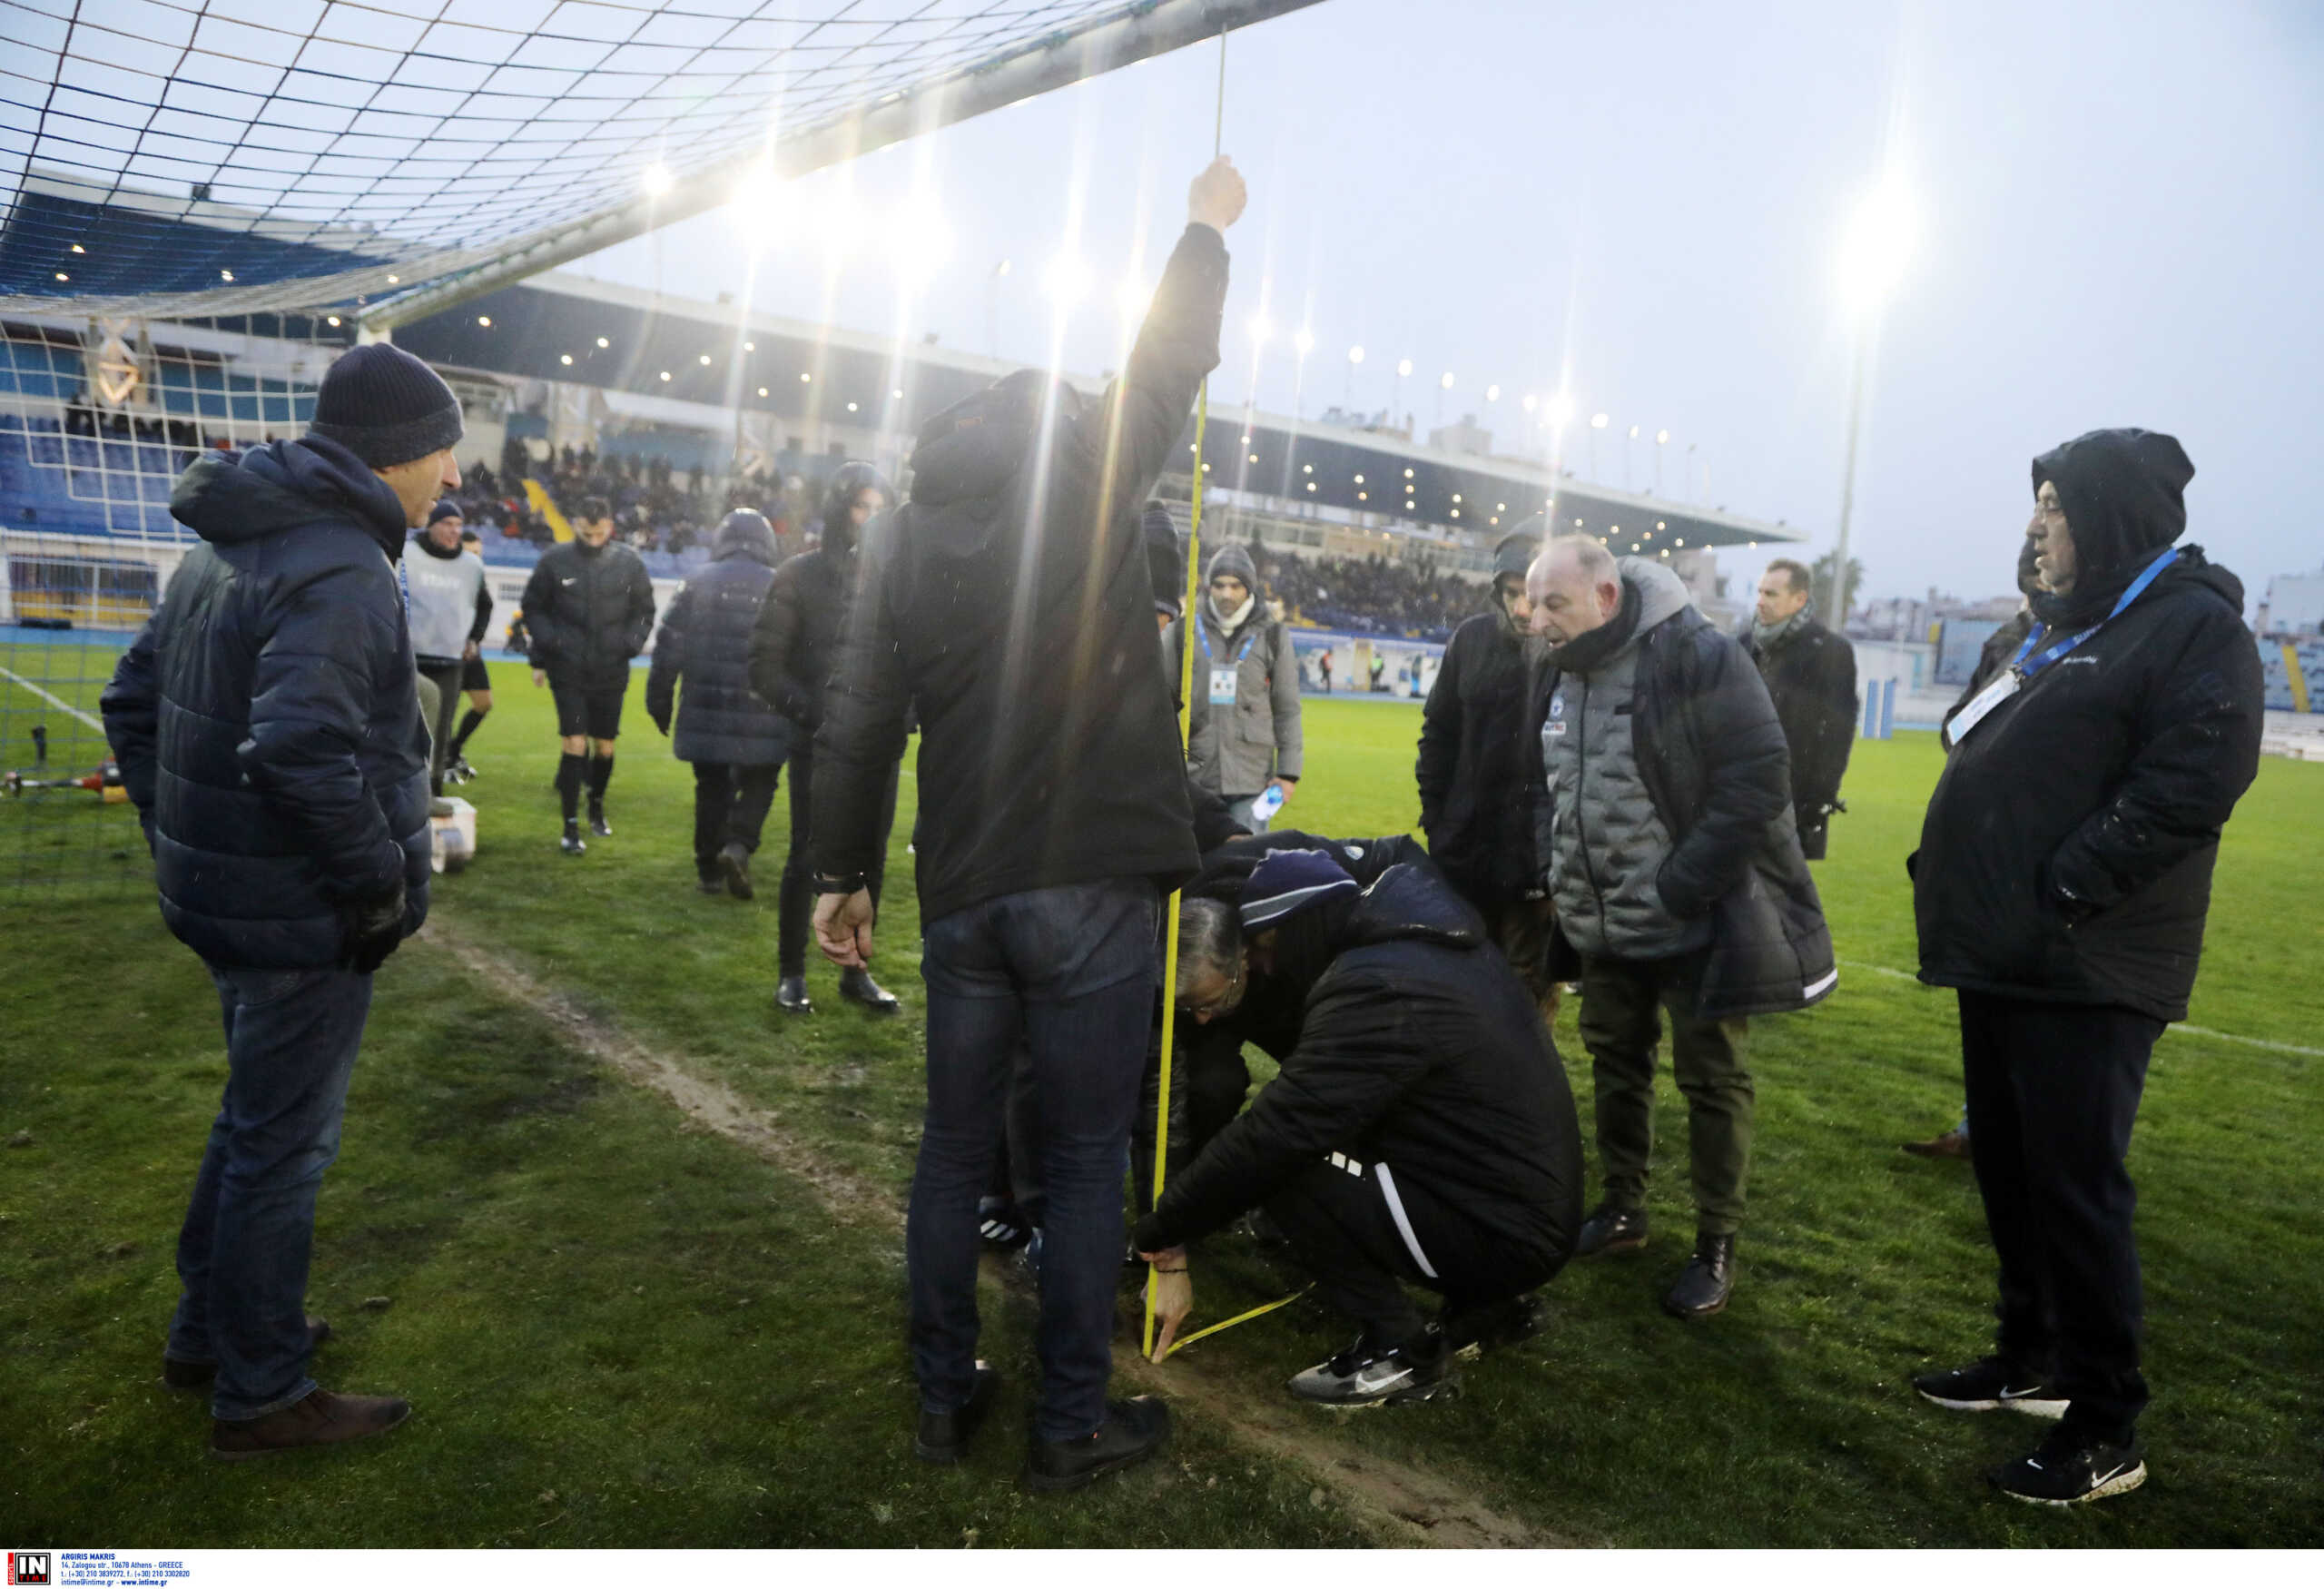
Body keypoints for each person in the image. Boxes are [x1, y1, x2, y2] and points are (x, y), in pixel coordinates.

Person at [806, 155, 1243, 1493]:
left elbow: (859, 712)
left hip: (968, 885)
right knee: (1079, 1154)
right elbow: (1166, 366)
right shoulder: (1081, 485)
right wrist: (1203, 233)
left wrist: (838, 867)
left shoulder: (901, 540)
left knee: (950, 1150)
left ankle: (946, 1396)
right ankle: (1067, 1424)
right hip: (1093, 876)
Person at [98, 341, 455, 1458]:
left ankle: (210, 1328)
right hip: (297, 913)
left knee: (251, 1121)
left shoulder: (231, 543)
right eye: (443, 448)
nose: (451, 473)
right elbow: (304, 746)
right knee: (281, 1146)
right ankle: (259, 1388)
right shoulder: (341, 560)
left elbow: (130, 704)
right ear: (399, 452)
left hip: (226, 900)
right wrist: (377, 885)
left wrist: (190, 845)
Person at [1907, 429, 2262, 1505]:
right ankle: (2030, 1356)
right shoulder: (2058, 628)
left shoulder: (2193, 628)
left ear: (2107, 516)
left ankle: (2105, 1420)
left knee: (2074, 1190)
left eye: (2054, 506)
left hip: (2086, 959)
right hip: (2003, 952)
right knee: (2009, 1174)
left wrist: (2062, 887)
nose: (2035, 523)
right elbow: (1968, 737)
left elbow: (2188, 785)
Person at [1134, 848, 1582, 1404]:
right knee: (1325, 1139)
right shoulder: (1423, 944)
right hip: (1520, 1210)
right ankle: (1486, 1308)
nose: (1268, 970)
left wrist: (1162, 1233)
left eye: (1270, 951)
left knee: (1288, 1166)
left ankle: (1401, 1351)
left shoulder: (1377, 984)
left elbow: (1278, 1133)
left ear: (1300, 928)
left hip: (1502, 1232)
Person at [1521, 539, 1834, 1318]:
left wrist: (1680, 885)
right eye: (1531, 603)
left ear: (1604, 595)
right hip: (1601, 917)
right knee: (1615, 1061)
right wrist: (1554, 864)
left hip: (1696, 919)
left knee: (1712, 1081)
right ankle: (1624, 1208)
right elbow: (1546, 783)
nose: (1536, 621)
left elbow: (1761, 777)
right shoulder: (1558, 666)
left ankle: (1715, 1243)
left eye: (1552, 604)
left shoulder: (1695, 653)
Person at [1902, 535, 2044, 1161]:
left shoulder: (2101, 643)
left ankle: (2017, 1139)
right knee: (1985, 997)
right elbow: (1956, 726)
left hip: (2038, 847)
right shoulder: (2008, 642)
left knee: (2037, 1009)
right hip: (1983, 845)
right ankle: (1977, 1128)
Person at [749, 465, 904, 1014]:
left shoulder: (898, 581)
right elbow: (765, 669)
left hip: (879, 750)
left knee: (873, 860)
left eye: (879, 507)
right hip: (817, 746)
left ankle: (855, 971)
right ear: (841, 510)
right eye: (862, 506)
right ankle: (792, 972)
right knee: (805, 857)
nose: (870, 519)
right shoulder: (799, 575)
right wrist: (823, 719)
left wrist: (897, 715)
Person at [1415, 525, 1555, 1005]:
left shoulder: (1572, 653)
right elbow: (1438, 734)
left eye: (1533, 596)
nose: (1522, 609)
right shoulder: (1470, 640)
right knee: (1463, 970)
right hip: (1465, 849)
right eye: (1512, 593)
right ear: (1497, 590)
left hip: (1536, 861)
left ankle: (1525, 1078)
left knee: (1525, 987)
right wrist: (1437, 820)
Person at [645, 509, 791, 899]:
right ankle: (739, 845)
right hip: (764, 710)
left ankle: (708, 868)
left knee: (711, 786)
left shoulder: (696, 582)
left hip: (704, 703)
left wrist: (658, 701)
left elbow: (667, 649)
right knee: (762, 780)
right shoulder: (781, 585)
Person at [520, 495, 656, 855]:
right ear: (575, 525)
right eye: (585, 533)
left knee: (605, 746)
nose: (593, 540)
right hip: (568, 668)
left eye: (598, 533)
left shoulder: (630, 563)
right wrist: (550, 642)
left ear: (609, 527)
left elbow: (645, 609)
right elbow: (533, 606)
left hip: (612, 668)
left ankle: (596, 806)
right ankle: (570, 826)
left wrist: (631, 643)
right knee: (574, 742)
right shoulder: (554, 560)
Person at [1169, 543, 1302, 832]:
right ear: (1208, 587)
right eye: (1219, 585)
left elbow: (1287, 708)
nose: (1226, 593)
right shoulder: (1183, 631)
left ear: (1249, 588)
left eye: (1235, 585)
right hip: (1195, 778)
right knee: (1195, 869)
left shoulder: (1273, 635)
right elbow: (1159, 704)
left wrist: (1288, 773)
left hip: (1253, 780)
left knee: (1244, 866)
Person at [1739, 557, 1856, 861]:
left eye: (1771, 594)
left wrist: (1816, 803)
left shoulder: (1831, 653)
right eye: (1760, 592)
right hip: (1734, 801)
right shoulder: (1742, 646)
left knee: (1781, 905)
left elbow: (1837, 736)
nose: (1761, 601)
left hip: (1793, 804)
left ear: (1800, 598)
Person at [404, 498, 489, 801]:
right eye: (447, 525)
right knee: (401, 721)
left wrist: (475, 638)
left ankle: (433, 786)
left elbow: (484, 607)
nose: (454, 531)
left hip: (450, 658)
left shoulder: (472, 566)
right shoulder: (407, 555)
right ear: (431, 525)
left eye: (458, 525)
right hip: (408, 656)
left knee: (441, 727)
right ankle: (398, 785)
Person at [441, 527, 497, 783]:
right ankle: (439, 762)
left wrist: (475, 639)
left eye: (479, 553)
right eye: (471, 552)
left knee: (484, 703)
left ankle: (453, 750)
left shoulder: (477, 578)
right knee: (444, 711)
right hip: (443, 651)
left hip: (470, 651)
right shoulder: (444, 574)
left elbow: (485, 609)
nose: (476, 558)